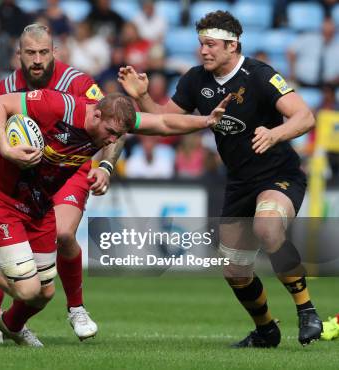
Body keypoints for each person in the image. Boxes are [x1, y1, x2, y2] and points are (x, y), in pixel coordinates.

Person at [0, 88, 230, 346]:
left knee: (44, 293)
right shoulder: (58, 106)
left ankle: (11, 327)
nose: (113, 141)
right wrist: (6, 147)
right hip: (0, 197)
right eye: (112, 133)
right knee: (27, 290)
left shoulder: (110, 122)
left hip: (38, 204)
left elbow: (161, 122)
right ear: (95, 116)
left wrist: (205, 121)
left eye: (120, 135)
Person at [118, 10, 321, 347]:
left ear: (232, 45)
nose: (203, 51)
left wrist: (276, 134)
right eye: (200, 44)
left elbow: (305, 116)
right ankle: (266, 330)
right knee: (234, 270)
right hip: (240, 181)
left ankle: (307, 310)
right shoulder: (195, 80)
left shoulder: (260, 75)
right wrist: (141, 96)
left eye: (210, 44)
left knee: (267, 227)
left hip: (279, 174)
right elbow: (166, 123)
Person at [0, 23, 113, 344]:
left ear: (55, 52)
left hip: (69, 170)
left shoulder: (77, 83)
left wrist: (107, 166)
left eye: (44, 52)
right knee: (17, 264)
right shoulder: (7, 86)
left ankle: (76, 308)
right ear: (19, 55)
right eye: (31, 53)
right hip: (27, 176)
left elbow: (114, 121)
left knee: (64, 233)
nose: (38, 59)